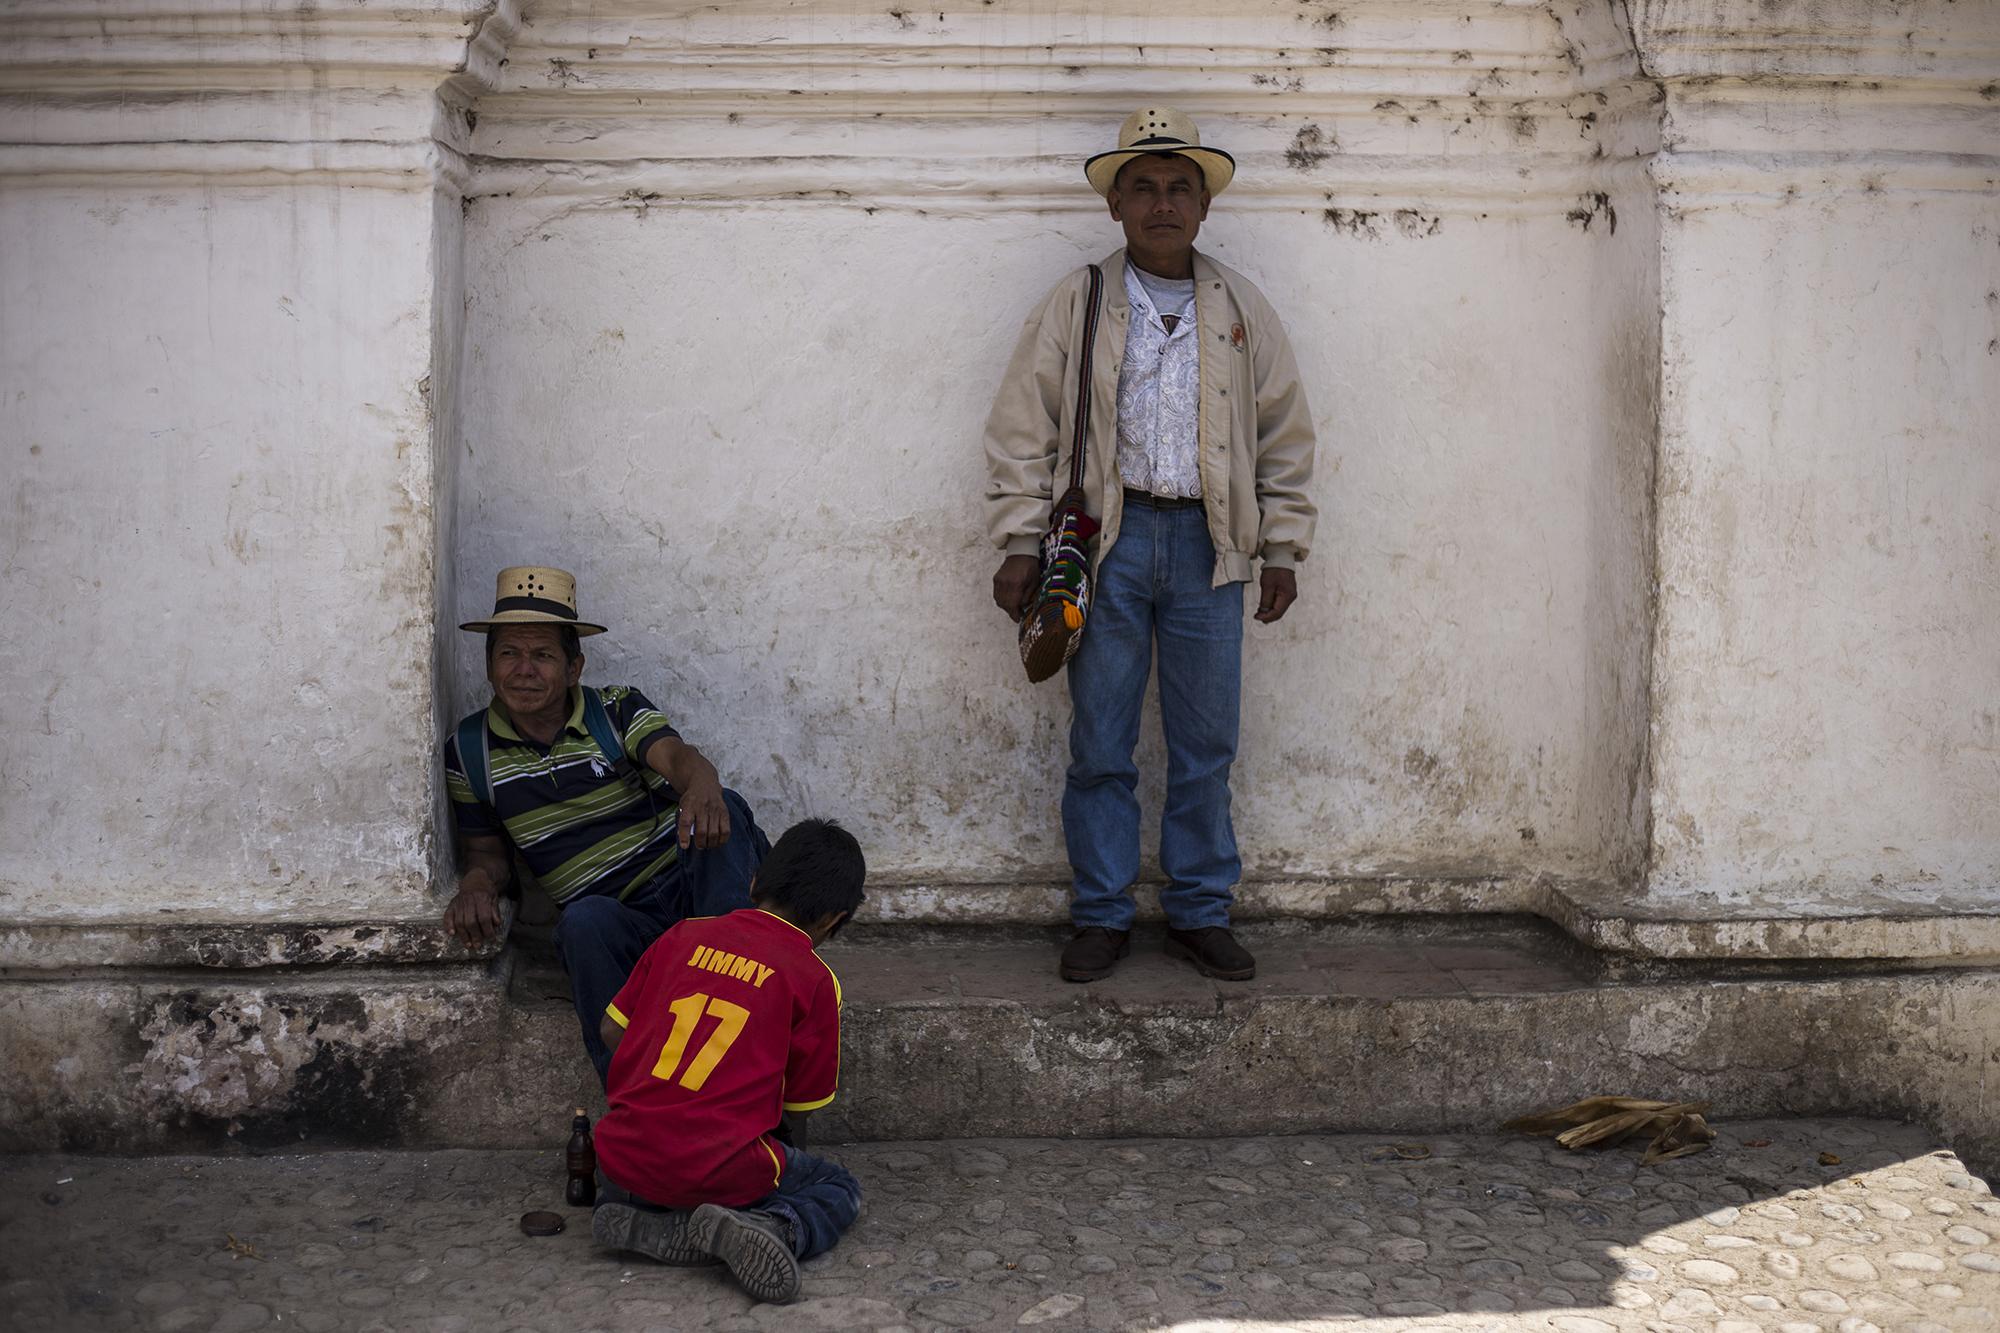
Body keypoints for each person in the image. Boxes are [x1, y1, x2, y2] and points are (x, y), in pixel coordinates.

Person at [984, 107, 1318, 984]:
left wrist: (1280, 545)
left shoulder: (1241, 307)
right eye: (1145, 188)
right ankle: (1101, 913)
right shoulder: (1082, 299)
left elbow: (1283, 432)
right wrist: (1021, 540)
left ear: (1203, 208)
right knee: (1101, 740)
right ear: (1116, 206)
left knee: (1208, 744)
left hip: (1211, 548)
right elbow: (1025, 424)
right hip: (1110, 543)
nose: (1163, 204)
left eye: (1180, 188)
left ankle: (1200, 911)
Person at [441, 566, 770, 1082]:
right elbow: (486, 856)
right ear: (488, 664)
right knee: (582, 922)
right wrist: (475, 888)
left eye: (543, 655)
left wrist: (702, 781)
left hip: (693, 889)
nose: (523, 669)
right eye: (508, 653)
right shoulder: (468, 750)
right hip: (625, 925)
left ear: (575, 667)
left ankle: (729, 992)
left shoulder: (614, 709)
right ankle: (638, 1103)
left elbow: (677, 757)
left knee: (724, 807)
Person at [589, 818, 866, 1306]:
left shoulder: (682, 935)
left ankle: (653, 1215)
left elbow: (610, 1031)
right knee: (837, 1186)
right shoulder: (815, 978)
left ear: (755, 881)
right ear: (833, 921)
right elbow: (799, 1107)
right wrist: (775, 1172)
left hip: (620, 1162)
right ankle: (772, 1224)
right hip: (719, 1170)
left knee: (642, 1167)